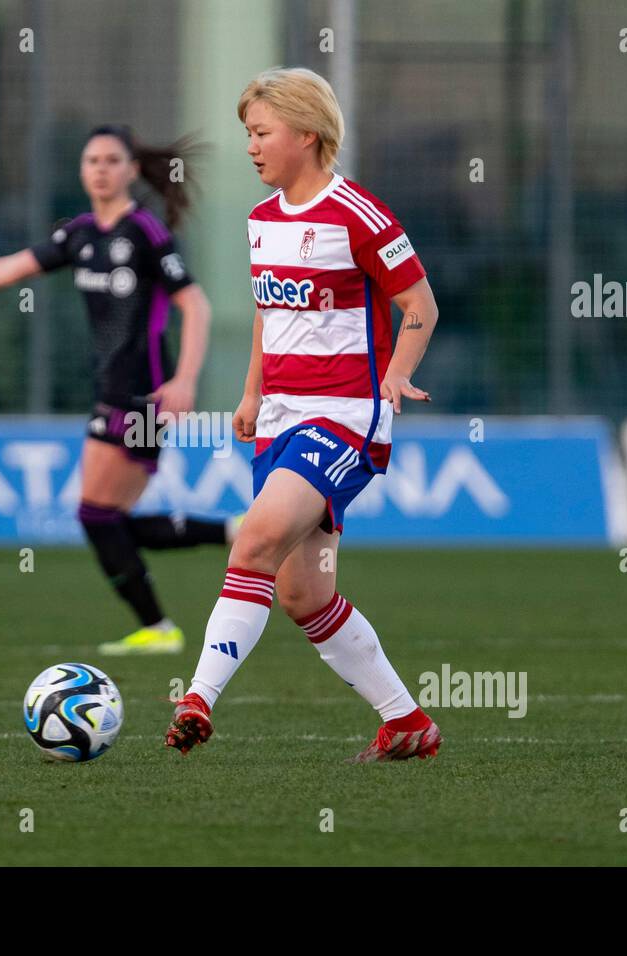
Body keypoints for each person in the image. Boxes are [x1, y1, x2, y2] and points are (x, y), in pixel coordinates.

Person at [165, 68, 444, 762]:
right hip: (281, 418)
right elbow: (270, 310)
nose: (251, 147)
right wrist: (253, 393)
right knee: (301, 593)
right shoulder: (261, 222)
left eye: (261, 133)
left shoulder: (361, 215)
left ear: (306, 134)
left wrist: (397, 377)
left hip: (346, 416)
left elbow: (420, 306)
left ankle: (198, 697)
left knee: (254, 540)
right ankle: (406, 720)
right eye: (248, 134)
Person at [0, 124, 238, 656]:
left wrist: (183, 380)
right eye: (91, 160)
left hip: (143, 393)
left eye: (112, 160)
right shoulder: (79, 235)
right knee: (107, 519)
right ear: (81, 171)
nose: (101, 168)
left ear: (132, 170)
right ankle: (232, 535)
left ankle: (162, 626)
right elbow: (8, 269)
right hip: (111, 389)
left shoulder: (145, 232)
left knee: (96, 516)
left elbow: (195, 304)